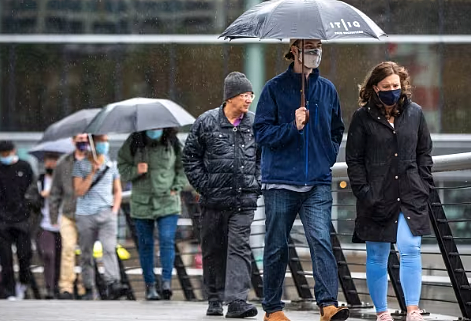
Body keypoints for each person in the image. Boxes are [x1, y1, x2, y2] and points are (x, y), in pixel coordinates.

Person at [253, 39, 348, 321]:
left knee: (320, 240)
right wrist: (292, 127)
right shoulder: (273, 88)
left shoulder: (327, 89)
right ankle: (273, 309)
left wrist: (327, 157)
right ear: (294, 51)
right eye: (309, 47)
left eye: (318, 47)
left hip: (316, 181)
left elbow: (336, 129)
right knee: (276, 245)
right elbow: (262, 134)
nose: (315, 52)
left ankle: (328, 304)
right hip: (280, 182)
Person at [346, 61, 433, 321]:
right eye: (386, 87)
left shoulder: (415, 113)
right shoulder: (362, 118)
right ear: (374, 88)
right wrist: (365, 193)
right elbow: (354, 160)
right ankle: (382, 311)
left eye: (396, 85)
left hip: (409, 193)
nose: (392, 90)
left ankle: (412, 309)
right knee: (377, 255)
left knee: (410, 248)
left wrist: (423, 184)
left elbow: (424, 153)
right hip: (377, 196)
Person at [183, 71, 260, 318]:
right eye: (244, 95)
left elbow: (264, 157)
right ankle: (214, 298)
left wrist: (256, 182)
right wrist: (205, 186)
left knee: (239, 248)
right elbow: (190, 157)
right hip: (213, 201)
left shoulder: (255, 124)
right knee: (213, 249)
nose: (249, 99)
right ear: (229, 97)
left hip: (244, 200)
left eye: (251, 94)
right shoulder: (206, 122)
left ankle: (237, 301)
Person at [117, 127, 188, 300]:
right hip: (142, 202)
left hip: (168, 201)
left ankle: (166, 283)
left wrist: (176, 187)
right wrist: (136, 170)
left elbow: (184, 167)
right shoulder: (133, 142)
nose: (155, 130)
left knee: (166, 240)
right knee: (146, 245)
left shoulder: (173, 142)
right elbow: (122, 167)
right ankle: (150, 286)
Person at [73, 134, 124, 300]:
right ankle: (89, 287)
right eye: (101, 141)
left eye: (106, 141)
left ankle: (113, 284)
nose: (105, 144)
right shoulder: (80, 165)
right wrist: (91, 174)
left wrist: (114, 210)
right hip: (85, 215)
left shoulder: (111, 164)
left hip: (106, 214)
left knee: (109, 248)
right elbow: (78, 191)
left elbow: (117, 190)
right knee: (86, 253)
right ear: (93, 144)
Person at [0, 140, 35, 299]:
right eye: (2, 155)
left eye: (7, 154)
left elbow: (31, 189)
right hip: (2, 220)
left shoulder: (24, 167)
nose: (5, 157)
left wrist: (27, 207)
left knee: (25, 255)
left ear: (14, 151)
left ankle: (23, 283)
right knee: (5, 258)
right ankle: (9, 290)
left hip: (22, 218)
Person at [49, 134, 88, 300]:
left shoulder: (94, 159)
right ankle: (66, 287)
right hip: (68, 213)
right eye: (79, 139)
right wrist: (53, 216)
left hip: (88, 213)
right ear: (73, 141)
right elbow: (55, 191)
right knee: (68, 250)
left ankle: (84, 286)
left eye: (85, 139)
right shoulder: (63, 163)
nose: (82, 142)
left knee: (86, 252)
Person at [26, 153, 62, 299]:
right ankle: (49, 288)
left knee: (60, 257)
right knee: (48, 255)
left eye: (54, 160)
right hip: (44, 224)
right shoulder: (39, 181)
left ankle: (58, 287)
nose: (51, 164)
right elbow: (29, 200)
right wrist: (41, 196)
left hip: (62, 224)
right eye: (49, 160)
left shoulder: (63, 179)